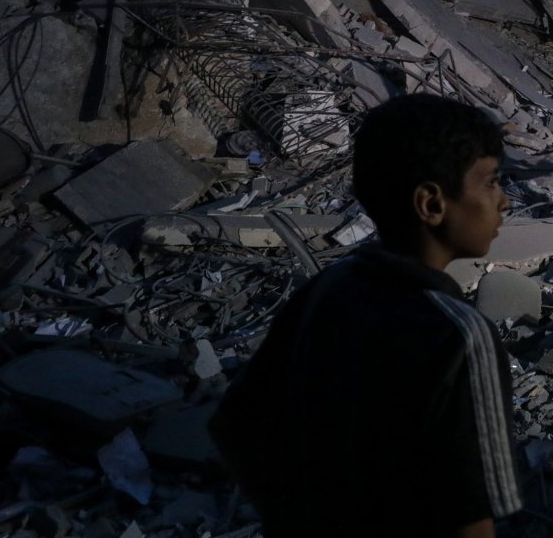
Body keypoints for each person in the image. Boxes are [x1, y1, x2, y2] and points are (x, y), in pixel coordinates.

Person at [210, 93, 523, 537]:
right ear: (431, 204)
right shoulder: (460, 335)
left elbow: (236, 426)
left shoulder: (328, 289)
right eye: (491, 182)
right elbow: (469, 518)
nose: (504, 201)